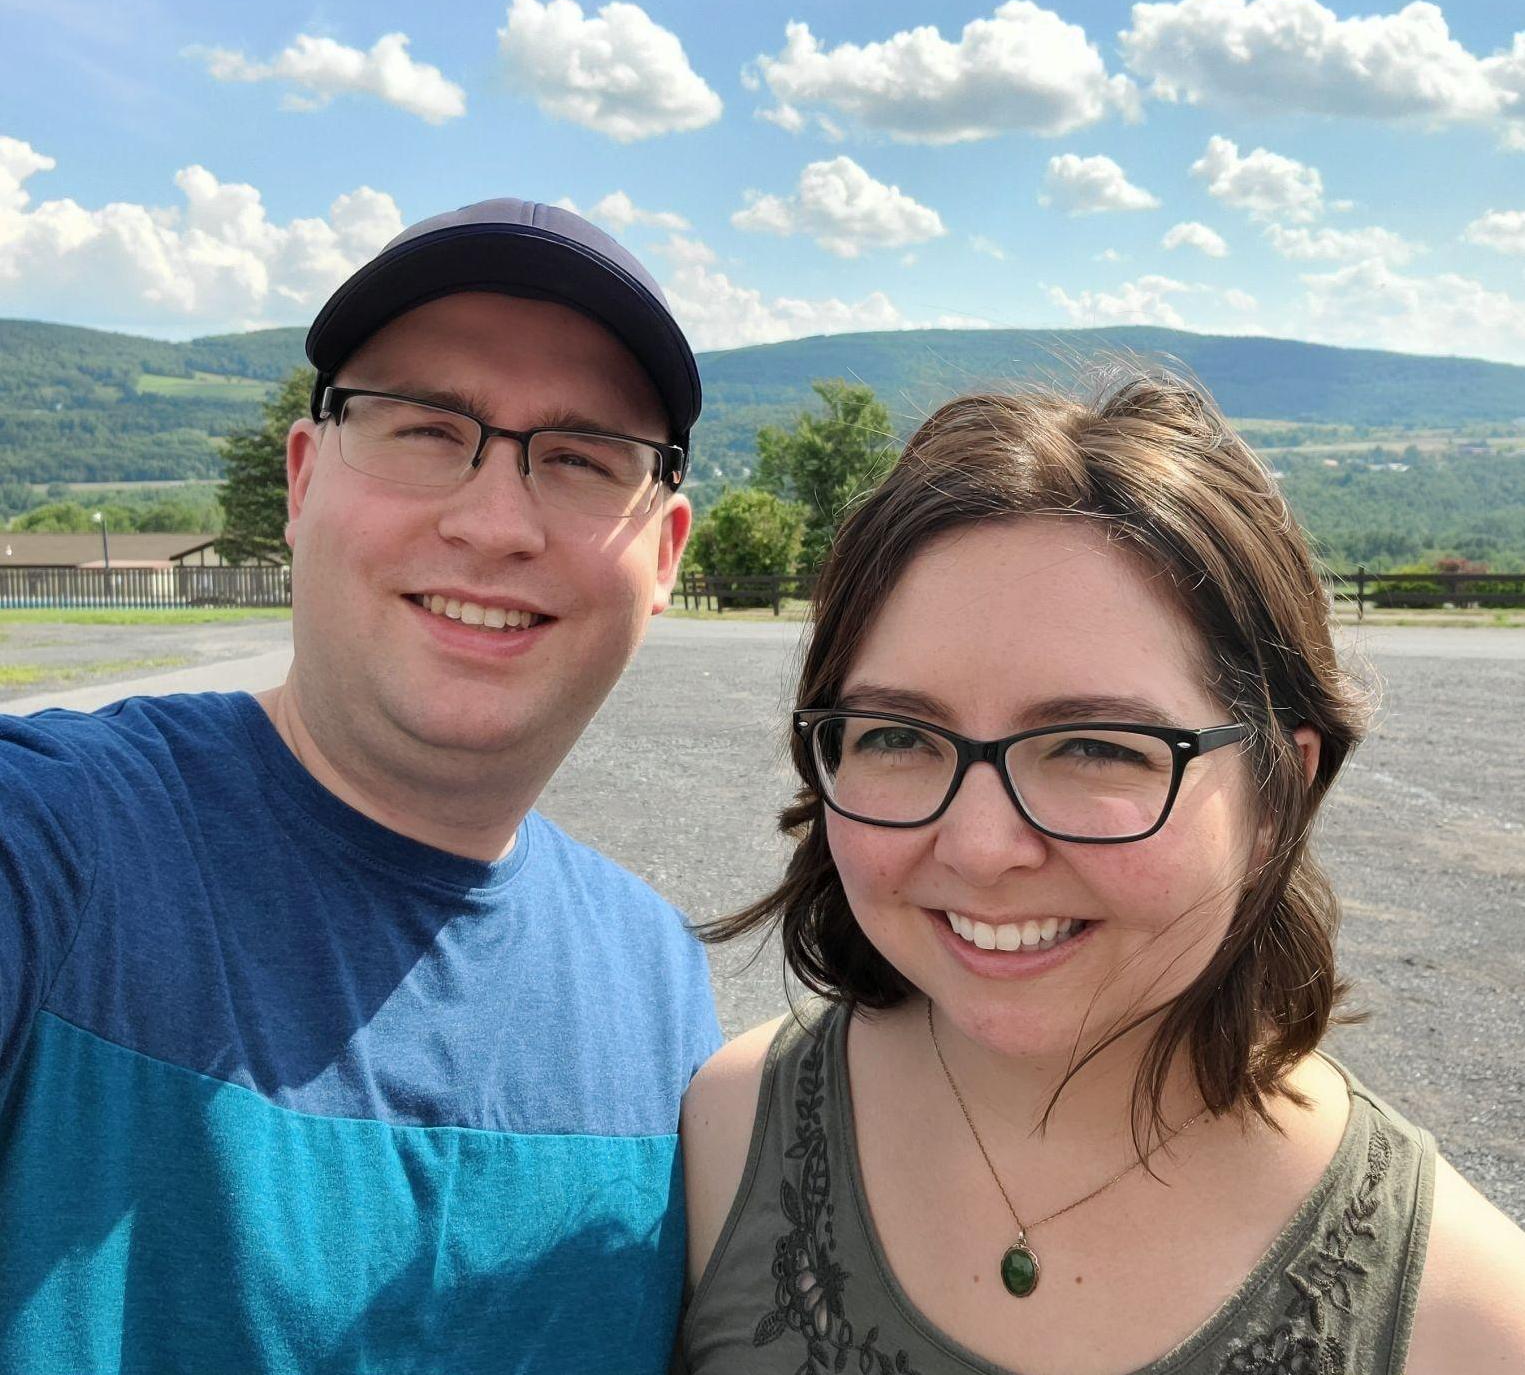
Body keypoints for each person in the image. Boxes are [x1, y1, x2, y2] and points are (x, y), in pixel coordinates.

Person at [677, 377, 1525, 1374]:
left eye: (1095, 747)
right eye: (900, 734)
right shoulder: (725, 1133)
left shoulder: (1468, 1324)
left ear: (1276, 798)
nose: (981, 848)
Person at [0, 200, 721, 1374]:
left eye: (583, 459)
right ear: (301, 482)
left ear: (666, 557)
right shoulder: (56, 847)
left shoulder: (659, 988)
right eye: (426, 429)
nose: (495, 522)